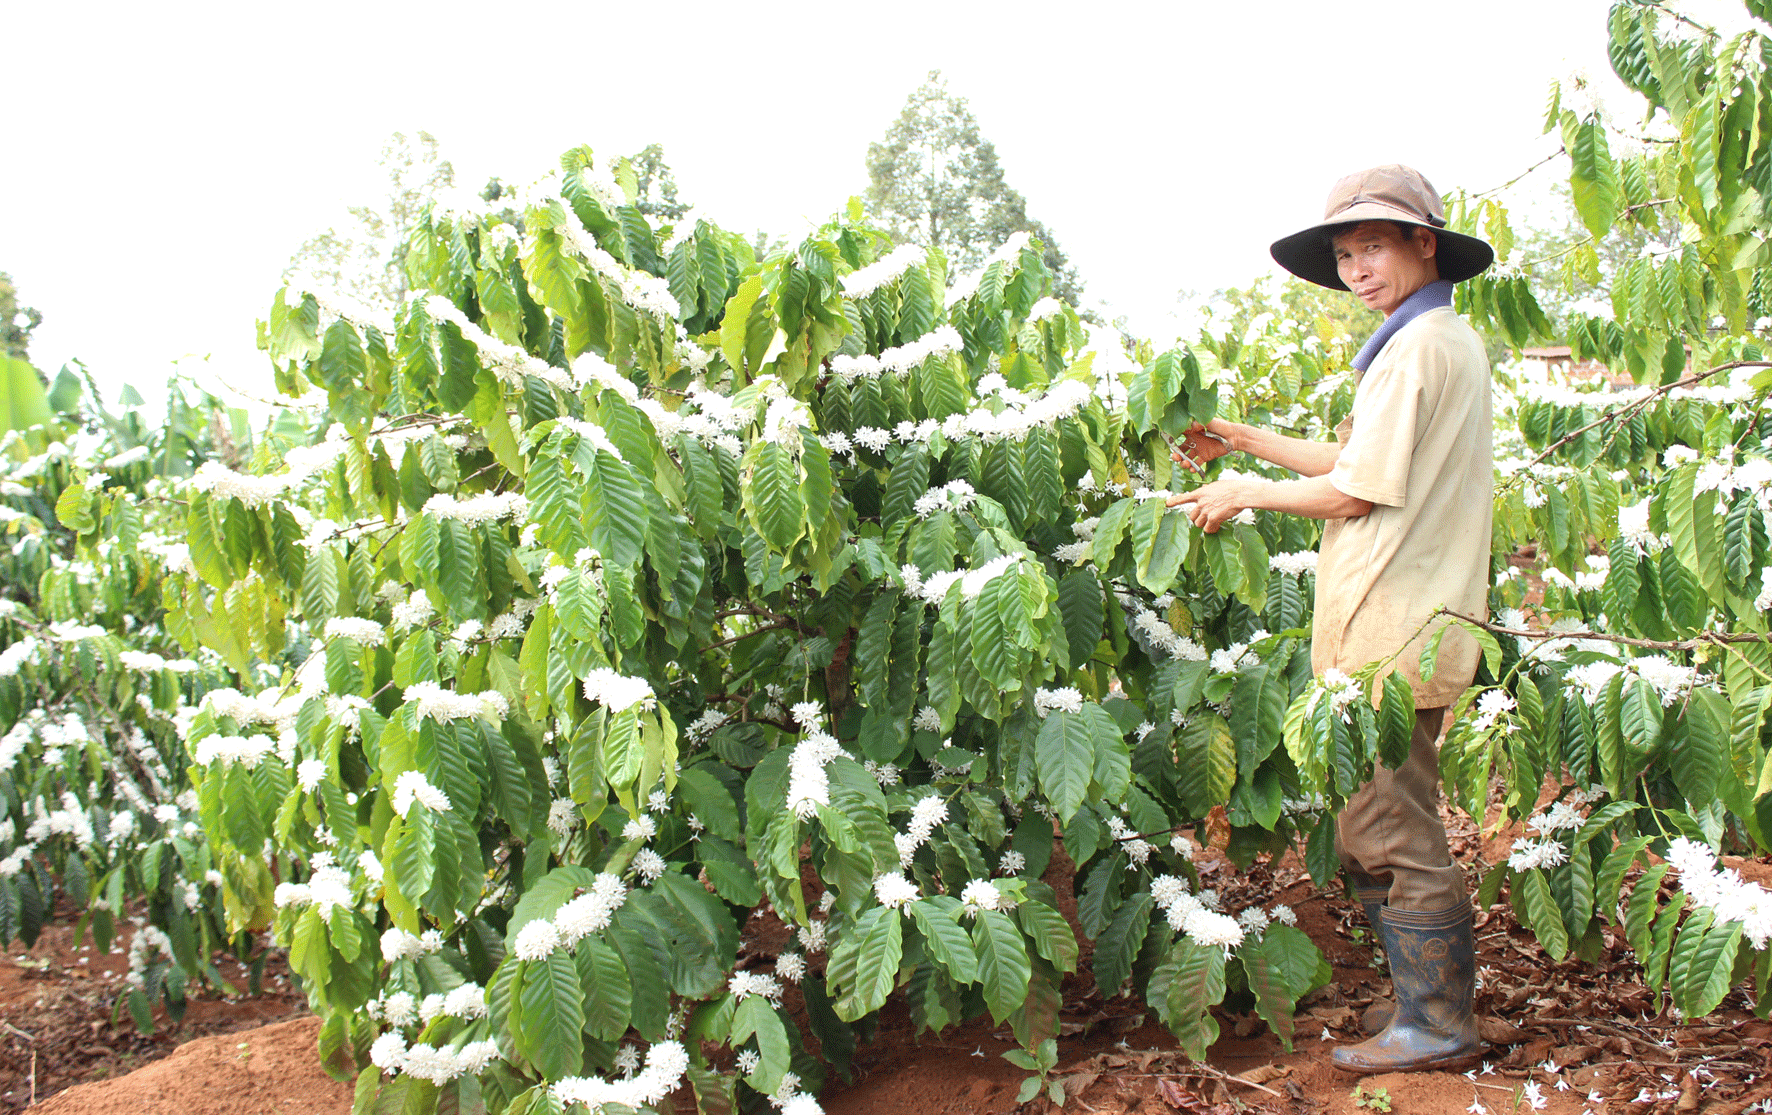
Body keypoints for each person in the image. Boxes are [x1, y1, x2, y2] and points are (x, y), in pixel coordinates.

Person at [1166, 165, 1494, 1075]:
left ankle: (1438, 1024)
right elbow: (1353, 453)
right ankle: (1425, 1005)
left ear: (1425, 244)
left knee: (1393, 827)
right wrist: (1244, 438)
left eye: (1374, 247)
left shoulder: (1418, 348)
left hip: (1396, 626)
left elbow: (1354, 489)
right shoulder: (1431, 340)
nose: (1357, 269)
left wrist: (1244, 493)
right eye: (1346, 254)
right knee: (1374, 822)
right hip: (1404, 621)